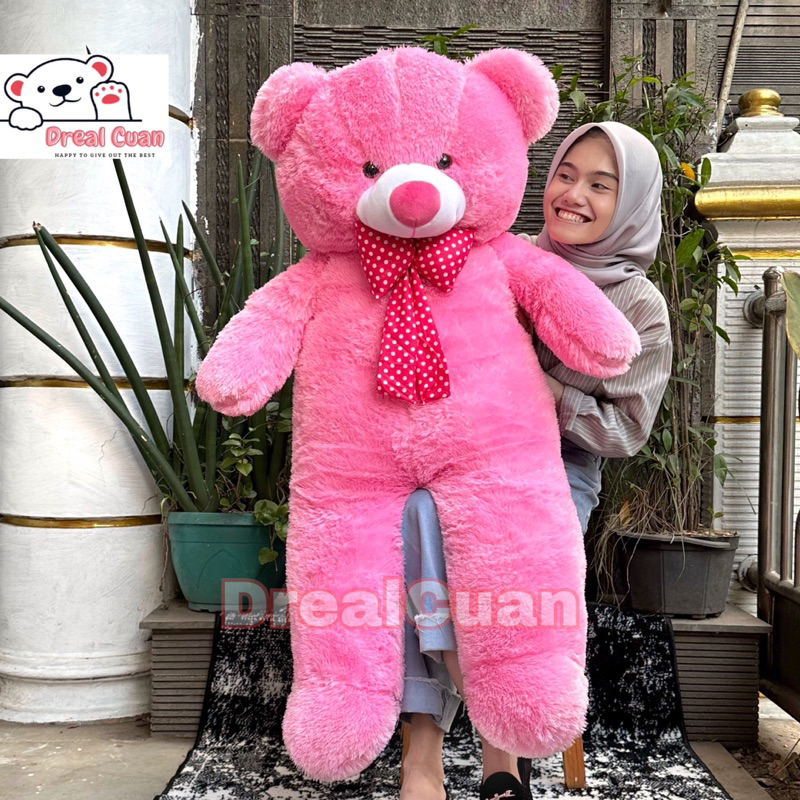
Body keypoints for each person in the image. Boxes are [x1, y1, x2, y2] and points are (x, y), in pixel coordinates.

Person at [398, 121, 673, 800]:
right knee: (415, 515)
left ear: (631, 203)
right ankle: (425, 754)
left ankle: (500, 754)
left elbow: (626, 431)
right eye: (565, 175)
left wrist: (549, 394)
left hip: (558, 469)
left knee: (498, 545)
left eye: (601, 185)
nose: (573, 194)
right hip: (462, 454)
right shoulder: (502, 257)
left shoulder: (639, 306)